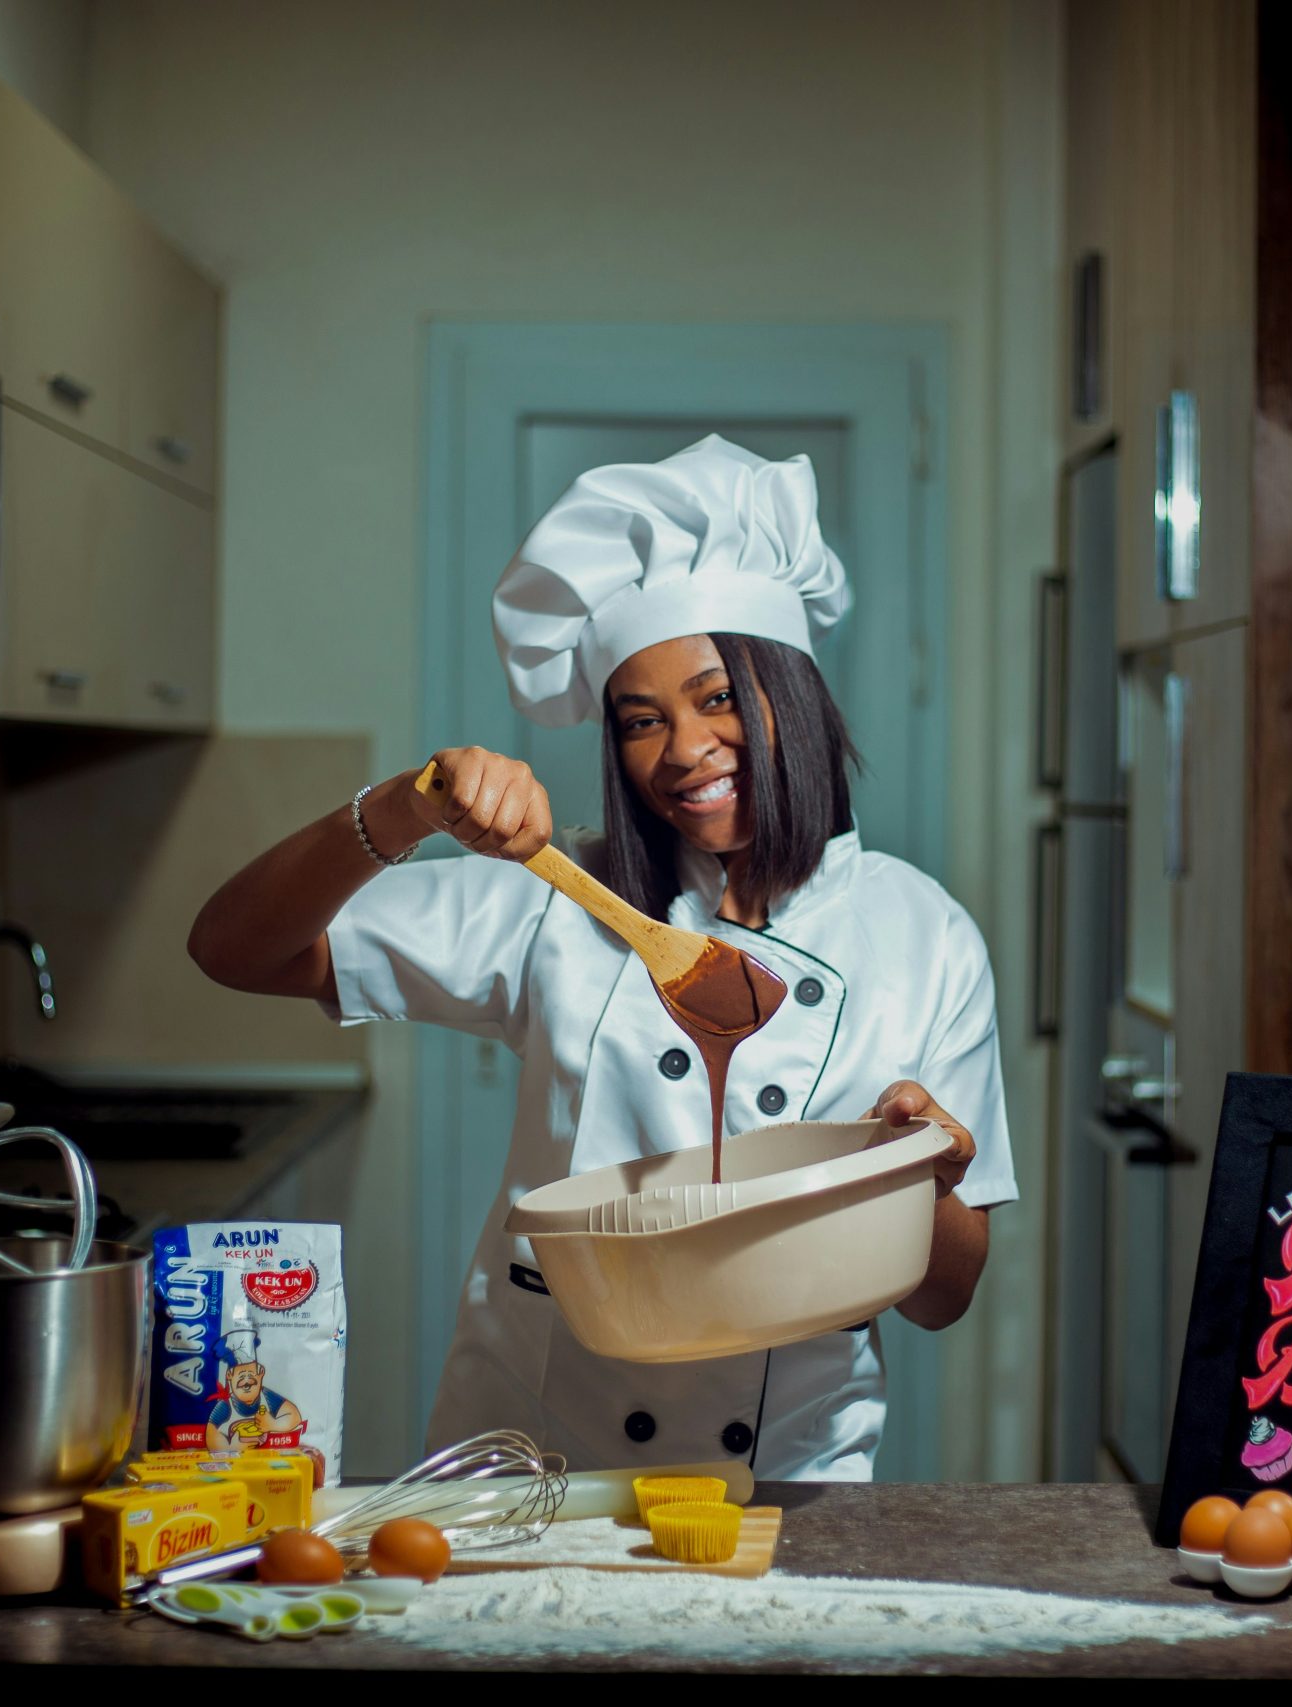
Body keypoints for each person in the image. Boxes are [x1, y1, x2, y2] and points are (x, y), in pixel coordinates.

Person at [188, 435, 1015, 1478]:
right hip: (535, 1462)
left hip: (791, 1477)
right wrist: (403, 806)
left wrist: (926, 1174)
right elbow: (232, 948)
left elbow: (944, 1299)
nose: (681, 750)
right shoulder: (553, 903)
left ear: (794, 696)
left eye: (717, 697)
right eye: (639, 719)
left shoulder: (923, 934)